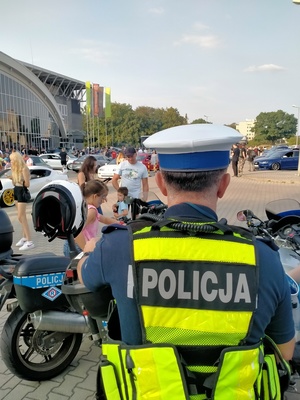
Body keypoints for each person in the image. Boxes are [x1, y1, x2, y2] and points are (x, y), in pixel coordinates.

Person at [77, 124, 294, 398]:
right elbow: (285, 352)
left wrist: (90, 249)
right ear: (224, 185)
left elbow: (84, 275)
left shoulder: (120, 246)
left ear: (161, 184)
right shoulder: (263, 257)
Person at [63, 179, 119, 257]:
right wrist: (86, 250)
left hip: (72, 245)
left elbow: (105, 219)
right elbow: (77, 232)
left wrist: (121, 223)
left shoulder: (85, 207)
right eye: (103, 197)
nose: (104, 201)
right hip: (78, 247)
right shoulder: (91, 211)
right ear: (95, 196)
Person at [10, 151, 35, 251]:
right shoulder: (15, 169)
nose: (10, 162)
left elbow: (27, 184)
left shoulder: (24, 169)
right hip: (16, 190)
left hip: (22, 191)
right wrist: (13, 177)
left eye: (12, 160)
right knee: (20, 217)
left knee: (22, 216)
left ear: (16, 160)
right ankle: (24, 237)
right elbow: (14, 182)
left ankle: (29, 241)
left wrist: (20, 180)